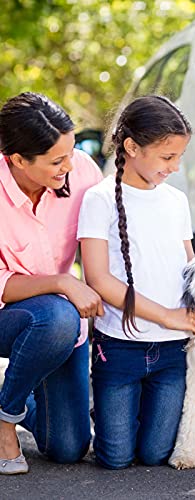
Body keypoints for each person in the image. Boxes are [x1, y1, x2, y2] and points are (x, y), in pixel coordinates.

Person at [77, 95, 195, 469]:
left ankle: (139, 410)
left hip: (172, 354)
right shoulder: (99, 199)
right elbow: (97, 278)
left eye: (179, 157)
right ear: (131, 147)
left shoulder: (176, 201)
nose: (175, 167)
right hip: (121, 349)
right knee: (115, 458)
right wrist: (166, 315)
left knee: (156, 454)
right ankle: (114, 409)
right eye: (167, 157)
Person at [0, 92, 103, 474]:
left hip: (56, 326)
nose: (68, 166)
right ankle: (5, 419)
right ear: (17, 160)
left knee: (68, 447)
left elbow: (102, 245)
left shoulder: (83, 172)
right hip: (17, 316)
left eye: (71, 152)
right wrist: (62, 282)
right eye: (56, 161)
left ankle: (15, 398)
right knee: (59, 315)